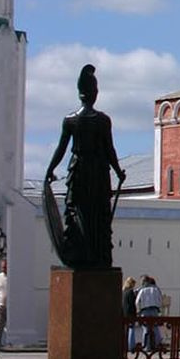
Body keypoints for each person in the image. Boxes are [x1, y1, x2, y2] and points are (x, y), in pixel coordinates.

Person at [41, 64, 126, 269]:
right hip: (98, 172)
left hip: (79, 170)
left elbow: (62, 149)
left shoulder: (70, 120)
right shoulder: (103, 120)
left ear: (80, 94)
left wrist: (50, 169)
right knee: (98, 215)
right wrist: (117, 171)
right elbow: (109, 149)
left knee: (77, 212)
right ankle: (97, 254)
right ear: (94, 94)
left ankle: (80, 252)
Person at [134, 274, 164, 351]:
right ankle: (158, 344)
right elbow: (160, 299)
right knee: (155, 327)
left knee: (145, 329)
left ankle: (146, 347)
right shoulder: (156, 289)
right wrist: (158, 307)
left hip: (145, 310)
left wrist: (138, 310)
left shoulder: (142, 290)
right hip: (154, 310)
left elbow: (137, 302)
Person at [122, 277, 140, 352]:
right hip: (130, 313)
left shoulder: (123, 291)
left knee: (125, 330)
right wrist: (135, 314)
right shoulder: (130, 292)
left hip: (124, 313)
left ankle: (124, 346)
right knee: (131, 330)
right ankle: (131, 346)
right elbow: (132, 304)